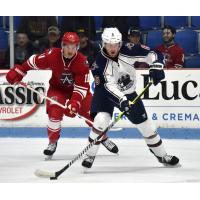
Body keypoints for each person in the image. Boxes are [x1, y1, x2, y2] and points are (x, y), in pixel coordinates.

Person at [6, 32, 118, 159]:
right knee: (54, 114)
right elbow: (33, 61)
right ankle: (52, 142)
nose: (71, 50)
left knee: (91, 115)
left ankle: (102, 137)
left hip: (78, 92)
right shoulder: (52, 54)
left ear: (77, 47)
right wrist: (20, 70)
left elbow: (81, 87)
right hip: (57, 89)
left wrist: (75, 102)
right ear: (62, 46)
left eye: (74, 46)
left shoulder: (82, 62)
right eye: (68, 46)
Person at [82, 27, 179, 169]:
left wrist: (156, 65)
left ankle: (162, 155)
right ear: (104, 43)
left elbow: (153, 53)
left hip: (128, 92)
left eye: (116, 44)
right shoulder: (99, 63)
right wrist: (122, 100)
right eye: (109, 44)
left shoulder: (129, 49)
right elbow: (108, 87)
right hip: (105, 92)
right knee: (101, 120)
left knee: (147, 126)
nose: (113, 48)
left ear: (120, 43)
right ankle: (89, 155)